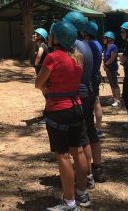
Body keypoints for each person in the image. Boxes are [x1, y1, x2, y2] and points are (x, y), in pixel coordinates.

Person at [36, 21, 90, 210]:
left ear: (55, 38)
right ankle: (82, 193)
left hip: (58, 110)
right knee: (79, 151)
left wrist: (48, 85)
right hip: (77, 108)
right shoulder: (78, 57)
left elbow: (38, 83)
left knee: (63, 156)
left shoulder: (52, 57)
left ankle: (69, 202)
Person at [63, 11, 103, 187]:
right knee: (90, 131)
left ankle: (87, 175)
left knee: (82, 136)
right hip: (89, 90)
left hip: (80, 94)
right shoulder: (86, 44)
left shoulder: (74, 46)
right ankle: (97, 168)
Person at [84, 21, 104, 138]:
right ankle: (99, 128)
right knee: (96, 101)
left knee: (91, 103)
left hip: (90, 77)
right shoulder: (97, 43)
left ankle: (91, 128)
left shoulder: (89, 44)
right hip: (96, 75)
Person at [102, 32, 121, 107]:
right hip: (107, 68)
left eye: (104, 38)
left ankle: (118, 100)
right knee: (111, 84)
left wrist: (106, 64)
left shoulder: (113, 47)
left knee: (115, 84)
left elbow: (112, 58)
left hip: (112, 68)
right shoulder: (107, 47)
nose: (103, 39)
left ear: (109, 39)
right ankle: (114, 98)